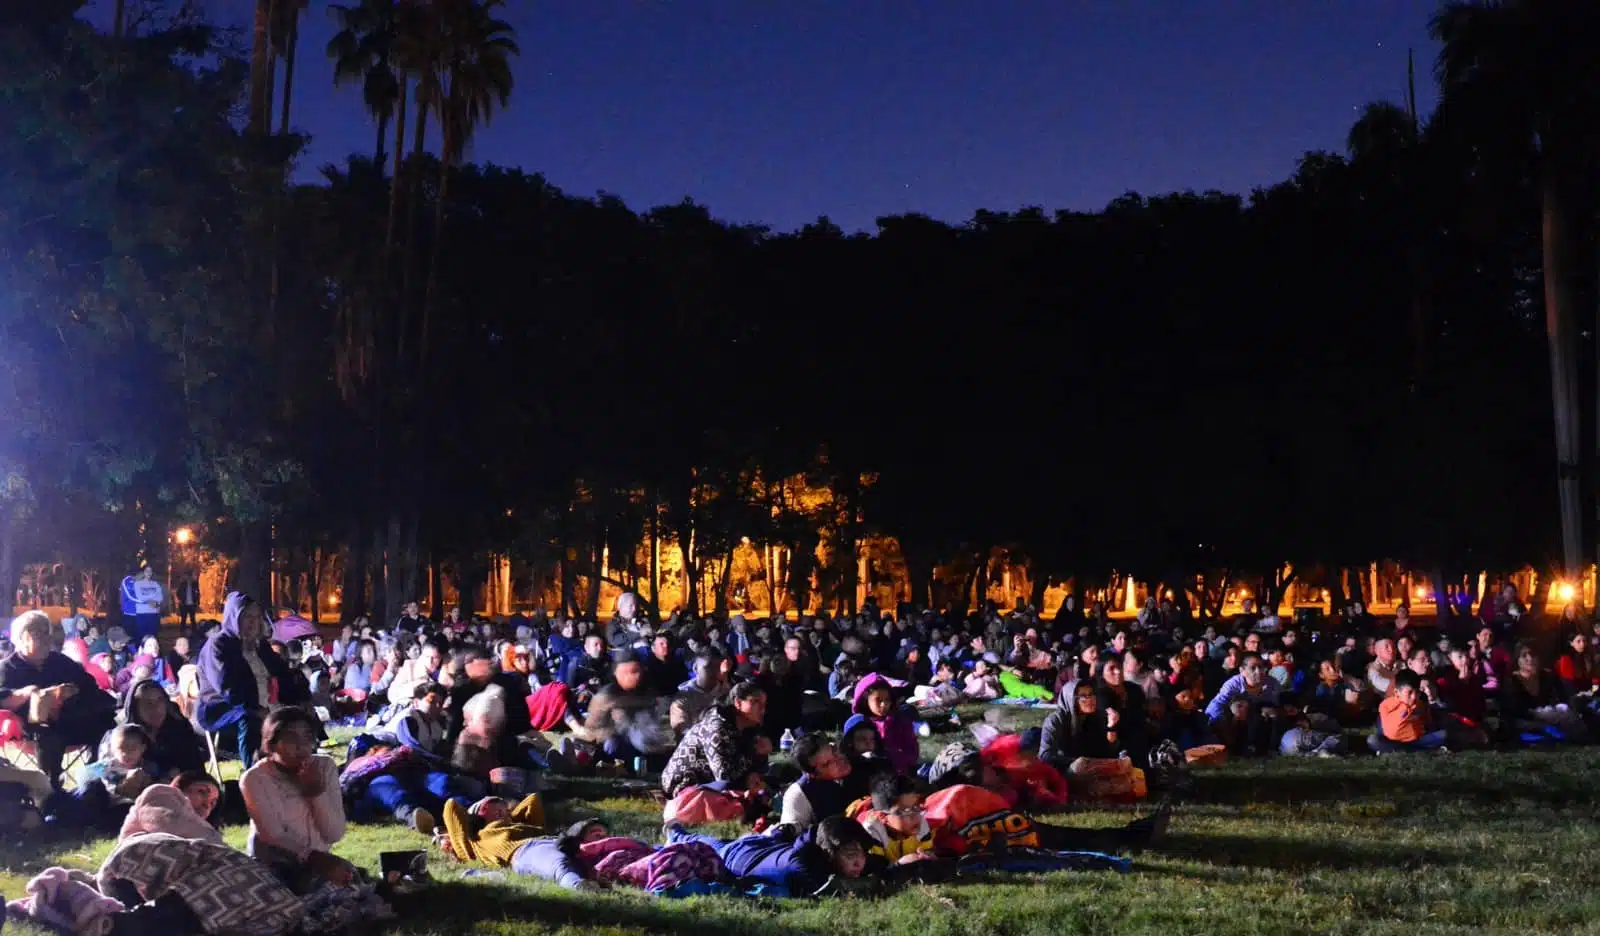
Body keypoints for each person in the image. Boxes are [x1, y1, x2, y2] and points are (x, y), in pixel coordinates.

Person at [0, 610, 116, 790]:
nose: (46, 639)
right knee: (48, 734)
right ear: (20, 638)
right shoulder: (7, 668)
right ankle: (52, 788)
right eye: (38, 633)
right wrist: (28, 693)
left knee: (106, 722)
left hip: (72, 720)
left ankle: (96, 779)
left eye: (48, 632)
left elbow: (88, 684)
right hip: (32, 730)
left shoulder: (59, 661)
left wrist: (70, 690)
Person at [240, 707, 352, 892]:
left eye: (308, 737)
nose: (302, 746)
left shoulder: (324, 766)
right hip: (274, 866)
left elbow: (333, 833)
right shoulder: (255, 778)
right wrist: (317, 859)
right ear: (271, 744)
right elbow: (273, 836)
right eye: (291, 738)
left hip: (321, 861)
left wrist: (316, 793)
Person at [195, 591, 301, 767]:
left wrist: (299, 697)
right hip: (222, 708)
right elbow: (228, 687)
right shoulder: (219, 645)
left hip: (265, 703)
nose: (253, 622)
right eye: (247, 617)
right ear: (234, 618)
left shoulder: (260, 646)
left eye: (257, 617)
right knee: (250, 718)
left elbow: (283, 674)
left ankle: (298, 766)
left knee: (296, 715)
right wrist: (256, 708)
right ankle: (253, 770)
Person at [665, 815, 873, 897]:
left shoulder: (818, 852)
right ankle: (676, 833)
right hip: (738, 857)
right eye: (851, 855)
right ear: (829, 854)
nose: (859, 862)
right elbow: (836, 891)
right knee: (712, 845)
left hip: (767, 845)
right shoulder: (802, 867)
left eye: (862, 853)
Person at [660, 680, 769, 798]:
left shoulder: (749, 727)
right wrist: (753, 752)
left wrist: (754, 770)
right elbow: (724, 777)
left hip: (712, 783)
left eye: (764, 704)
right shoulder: (717, 727)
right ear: (738, 702)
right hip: (684, 786)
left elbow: (749, 765)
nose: (762, 709)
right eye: (756, 702)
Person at [109, 679, 207, 776]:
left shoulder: (179, 728)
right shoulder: (121, 737)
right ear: (136, 708)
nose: (156, 708)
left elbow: (196, 768)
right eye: (148, 703)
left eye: (160, 700)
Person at [845, 673, 918, 775]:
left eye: (887, 700)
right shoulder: (857, 724)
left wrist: (891, 760)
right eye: (878, 700)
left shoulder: (900, 722)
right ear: (865, 699)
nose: (884, 704)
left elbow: (912, 752)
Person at [856, 772, 934, 864]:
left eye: (916, 807)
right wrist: (899, 865)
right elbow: (877, 871)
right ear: (882, 816)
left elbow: (927, 850)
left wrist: (928, 856)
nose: (915, 816)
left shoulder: (921, 824)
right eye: (906, 811)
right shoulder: (872, 833)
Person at [779, 733, 851, 830]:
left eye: (834, 751)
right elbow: (790, 834)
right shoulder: (800, 793)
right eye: (826, 764)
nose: (838, 759)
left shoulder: (863, 764)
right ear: (813, 774)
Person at [120, 566, 165, 644]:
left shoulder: (144, 582)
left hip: (139, 613)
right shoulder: (127, 581)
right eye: (143, 572)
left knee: (144, 636)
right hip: (130, 613)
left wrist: (154, 602)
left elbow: (158, 596)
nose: (146, 574)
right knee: (131, 637)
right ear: (139, 573)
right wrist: (148, 602)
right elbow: (130, 597)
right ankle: (132, 654)